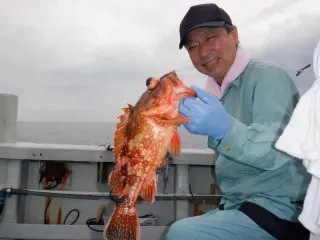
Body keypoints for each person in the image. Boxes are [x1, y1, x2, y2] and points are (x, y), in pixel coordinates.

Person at [165, 3, 311, 240]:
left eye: (210, 38)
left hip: (281, 209)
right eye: (193, 46)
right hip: (238, 205)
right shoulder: (217, 94)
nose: (202, 52)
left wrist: (224, 129)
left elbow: (277, 150)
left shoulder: (268, 76)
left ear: (234, 34)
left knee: (180, 233)